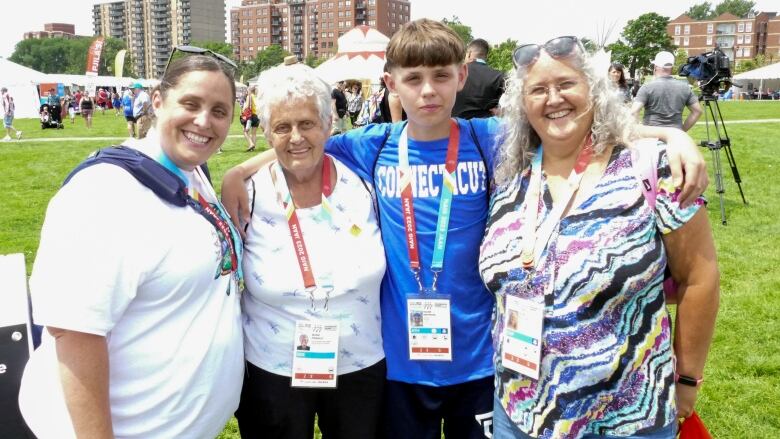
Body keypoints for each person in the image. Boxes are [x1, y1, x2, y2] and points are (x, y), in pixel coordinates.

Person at [222, 19, 709, 439]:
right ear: (392, 84)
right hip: (401, 365)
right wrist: (237, 172)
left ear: (461, 77)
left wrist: (670, 136)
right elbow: (305, 139)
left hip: (481, 362)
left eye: (440, 76)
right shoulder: (375, 146)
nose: (428, 90)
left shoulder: (489, 139)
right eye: (413, 79)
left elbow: (577, 127)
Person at [480, 36, 719, 439]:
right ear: (523, 105)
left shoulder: (652, 168)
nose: (553, 98)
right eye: (538, 90)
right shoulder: (509, 180)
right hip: (519, 408)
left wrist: (688, 380)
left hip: (627, 413)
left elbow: (701, 278)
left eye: (566, 84)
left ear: (595, 90)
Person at [18, 53, 244, 439]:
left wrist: (243, 169)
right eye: (190, 104)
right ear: (157, 101)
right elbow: (74, 334)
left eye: (219, 111)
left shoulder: (191, 172)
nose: (204, 121)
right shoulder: (106, 192)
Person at [234, 64, 386, 439]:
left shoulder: (364, 184)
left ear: (328, 125)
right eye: (282, 127)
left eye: (307, 124)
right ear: (267, 132)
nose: (296, 137)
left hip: (360, 364)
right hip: (273, 368)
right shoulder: (246, 194)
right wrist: (234, 173)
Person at [631, 51, 703, 131]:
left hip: (651, 135)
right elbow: (697, 111)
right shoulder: (685, 87)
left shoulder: (647, 87)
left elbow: (634, 112)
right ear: (671, 68)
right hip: (675, 136)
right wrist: (682, 130)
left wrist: (638, 127)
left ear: (655, 67)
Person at [452, 38, 505, 119]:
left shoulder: (455, 73)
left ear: (469, 54)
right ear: (486, 56)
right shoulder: (499, 76)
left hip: (454, 127)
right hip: (486, 129)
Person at [242, 85, 259, 152]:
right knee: (254, 133)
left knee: (245, 131)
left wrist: (243, 111)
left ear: (249, 90)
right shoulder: (256, 97)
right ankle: (253, 148)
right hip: (257, 116)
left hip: (250, 116)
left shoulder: (249, 96)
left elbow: (246, 106)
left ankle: (251, 144)